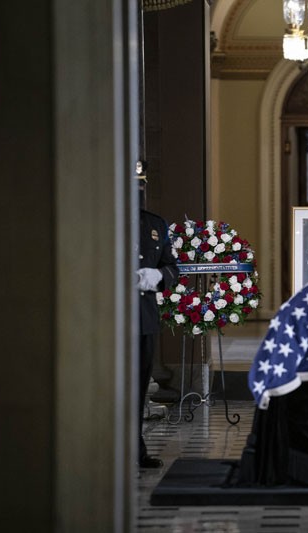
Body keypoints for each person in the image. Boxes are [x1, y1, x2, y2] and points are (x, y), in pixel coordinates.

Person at [135, 166, 179, 468]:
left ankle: (135, 450)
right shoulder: (101, 220)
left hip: (143, 319)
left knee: (138, 386)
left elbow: (172, 268)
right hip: (109, 319)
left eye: (140, 184)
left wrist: (157, 276)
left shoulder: (155, 224)